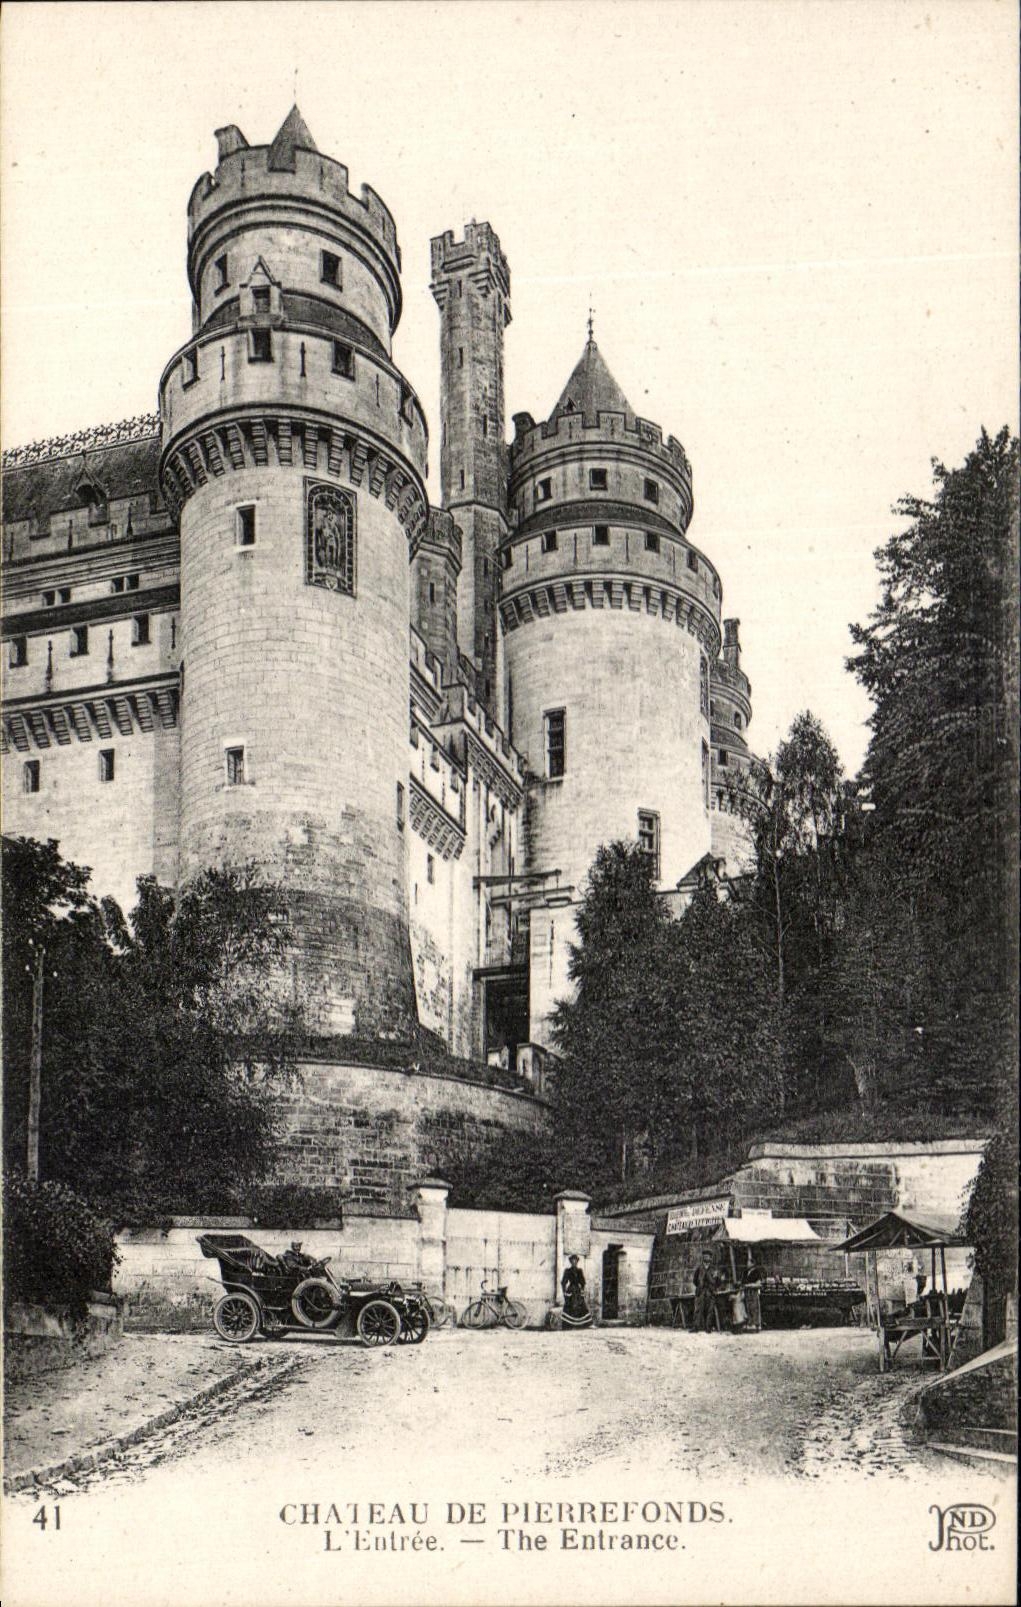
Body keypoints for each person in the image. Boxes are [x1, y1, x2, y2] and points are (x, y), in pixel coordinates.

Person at [561, 1255, 591, 1326]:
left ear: (577, 1262)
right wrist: (564, 1292)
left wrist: (582, 1290)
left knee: (582, 1305)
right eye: (572, 1261)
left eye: (575, 1260)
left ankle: (585, 1323)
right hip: (571, 1290)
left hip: (577, 1291)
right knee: (569, 1305)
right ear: (570, 1262)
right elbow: (563, 1282)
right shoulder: (567, 1271)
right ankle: (567, 1324)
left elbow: (583, 1282)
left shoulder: (579, 1271)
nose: (574, 1262)